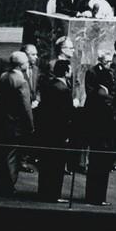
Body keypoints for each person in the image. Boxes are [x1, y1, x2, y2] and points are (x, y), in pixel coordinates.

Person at [0, 51, 34, 197]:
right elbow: (26, 106)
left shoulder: (3, 76)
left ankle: (0, 184)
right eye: (26, 62)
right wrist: (31, 126)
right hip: (15, 125)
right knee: (12, 157)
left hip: (2, 121)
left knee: (2, 155)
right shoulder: (21, 81)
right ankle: (8, 187)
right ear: (21, 64)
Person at [36, 59, 73, 201]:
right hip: (58, 132)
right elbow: (66, 115)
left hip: (46, 130)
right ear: (66, 72)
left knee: (46, 163)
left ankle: (43, 192)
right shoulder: (63, 89)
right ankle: (53, 194)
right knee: (56, 165)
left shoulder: (48, 85)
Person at [83, 49, 115, 205]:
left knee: (102, 162)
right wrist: (105, 96)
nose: (109, 65)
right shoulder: (92, 73)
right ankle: (95, 196)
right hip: (96, 121)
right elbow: (91, 94)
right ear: (100, 61)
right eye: (107, 62)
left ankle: (98, 196)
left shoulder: (110, 74)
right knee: (97, 161)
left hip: (105, 123)